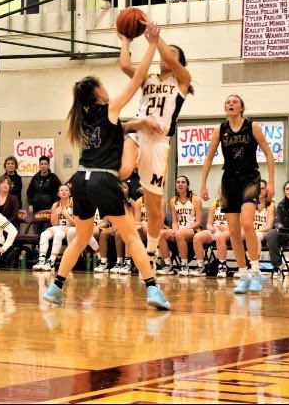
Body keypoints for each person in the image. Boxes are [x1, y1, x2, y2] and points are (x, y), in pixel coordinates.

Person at [42, 21, 170, 310]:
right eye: (102, 85)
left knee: (81, 238)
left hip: (81, 180)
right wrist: (150, 44)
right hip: (102, 180)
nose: (106, 88)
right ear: (98, 93)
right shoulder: (108, 108)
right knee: (131, 237)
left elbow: (115, 132)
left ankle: (55, 287)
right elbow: (137, 80)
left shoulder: (83, 117)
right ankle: (152, 290)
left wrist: (138, 122)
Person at [118, 26, 193, 275]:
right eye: (163, 52)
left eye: (170, 54)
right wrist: (125, 41)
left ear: (179, 61)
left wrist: (155, 38)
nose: (164, 56)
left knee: (154, 207)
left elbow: (170, 57)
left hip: (159, 142)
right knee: (124, 169)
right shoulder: (148, 78)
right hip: (138, 132)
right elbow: (125, 66)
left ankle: (150, 252)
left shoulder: (182, 80)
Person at [200, 94, 276, 294]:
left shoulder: (252, 127)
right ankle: (243, 275)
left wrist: (272, 183)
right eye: (227, 102)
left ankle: (256, 271)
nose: (230, 104)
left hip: (250, 178)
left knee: (247, 224)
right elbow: (208, 157)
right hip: (229, 181)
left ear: (242, 107)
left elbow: (268, 153)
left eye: (235, 102)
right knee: (233, 231)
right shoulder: (220, 129)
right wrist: (203, 184)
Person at [157, 176, 203, 276]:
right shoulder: (173, 200)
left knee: (179, 234)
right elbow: (174, 221)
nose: (180, 184)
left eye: (183, 182)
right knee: (161, 233)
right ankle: (167, 265)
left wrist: (181, 230)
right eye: (178, 182)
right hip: (179, 230)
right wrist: (174, 230)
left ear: (187, 185)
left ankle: (184, 265)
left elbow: (199, 222)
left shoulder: (195, 199)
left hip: (194, 229)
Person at [33, 183, 75, 271]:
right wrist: (56, 213)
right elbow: (53, 223)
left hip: (71, 227)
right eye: (61, 190)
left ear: (70, 193)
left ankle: (52, 260)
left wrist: (66, 215)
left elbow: (75, 224)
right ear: (58, 194)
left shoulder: (74, 203)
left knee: (59, 235)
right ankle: (41, 259)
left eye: (66, 190)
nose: (64, 192)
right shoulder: (55, 205)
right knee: (44, 234)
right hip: (59, 226)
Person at [192, 187, 230, 278]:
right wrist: (211, 228)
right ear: (219, 191)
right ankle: (201, 266)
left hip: (228, 232)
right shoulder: (214, 204)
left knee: (220, 237)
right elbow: (209, 224)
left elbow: (239, 224)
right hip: (215, 230)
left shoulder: (236, 204)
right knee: (197, 237)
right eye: (222, 188)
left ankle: (222, 266)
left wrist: (227, 228)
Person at [26, 156, 62, 234]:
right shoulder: (35, 177)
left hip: (48, 210)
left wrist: (54, 205)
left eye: (45, 164)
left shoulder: (53, 177)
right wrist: (30, 204)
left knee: (46, 233)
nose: (43, 166)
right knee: (36, 233)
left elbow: (59, 191)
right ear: (39, 165)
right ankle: (36, 247)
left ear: (48, 165)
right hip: (36, 210)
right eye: (41, 164)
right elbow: (29, 191)